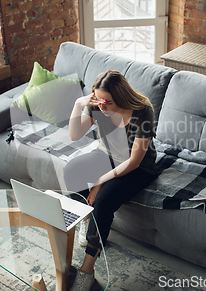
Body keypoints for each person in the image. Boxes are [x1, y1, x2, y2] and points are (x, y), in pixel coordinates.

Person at [64, 69, 158, 291]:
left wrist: (100, 181)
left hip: (138, 167)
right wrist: (79, 104)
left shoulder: (142, 111)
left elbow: (134, 161)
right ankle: (88, 221)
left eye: (107, 102)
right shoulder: (98, 104)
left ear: (122, 98)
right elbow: (74, 135)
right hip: (106, 155)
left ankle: (87, 270)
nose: (102, 107)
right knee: (71, 171)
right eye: (99, 101)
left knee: (103, 201)